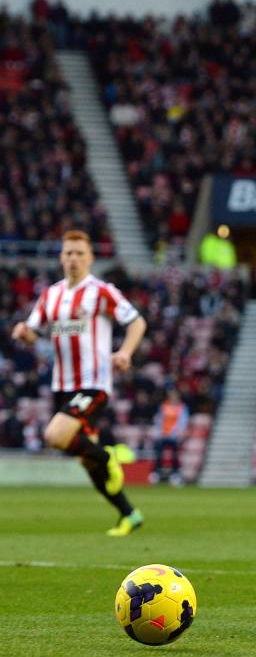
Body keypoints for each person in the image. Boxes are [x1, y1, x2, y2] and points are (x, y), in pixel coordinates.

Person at [11, 230, 148, 536]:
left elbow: (137, 322)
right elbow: (35, 332)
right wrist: (24, 332)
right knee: (87, 462)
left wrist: (125, 352)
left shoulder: (101, 291)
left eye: (79, 253)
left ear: (90, 257)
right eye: (68, 253)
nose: (73, 258)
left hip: (94, 382)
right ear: (61, 257)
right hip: (63, 385)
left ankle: (106, 455)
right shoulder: (51, 295)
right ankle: (128, 513)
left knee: (55, 435)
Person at [151, 388, 189, 485]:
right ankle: (155, 473)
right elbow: (159, 420)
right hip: (163, 435)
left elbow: (182, 422)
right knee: (159, 453)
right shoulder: (164, 406)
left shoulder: (181, 407)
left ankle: (175, 474)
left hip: (174, 436)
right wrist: (160, 432)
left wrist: (174, 433)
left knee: (175, 454)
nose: (173, 397)